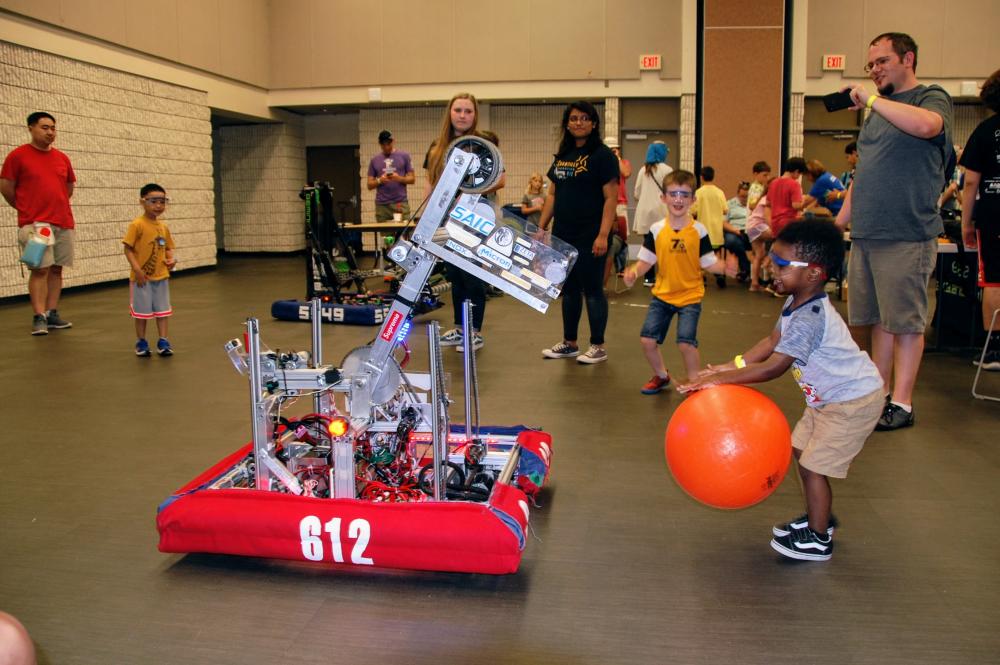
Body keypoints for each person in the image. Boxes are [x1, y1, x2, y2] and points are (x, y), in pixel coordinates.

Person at [679, 220, 884, 561]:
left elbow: (775, 366)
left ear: (814, 273)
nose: (773, 269)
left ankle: (819, 539)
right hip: (828, 400)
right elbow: (772, 342)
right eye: (773, 261)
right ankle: (821, 516)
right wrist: (731, 366)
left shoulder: (810, 317)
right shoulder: (794, 303)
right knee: (802, 452)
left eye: (782, 265)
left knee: (815, 466)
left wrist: (720, 381)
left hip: (852, 402)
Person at [835, 31, 953, 431]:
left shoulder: (930, 98)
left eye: (882, 61)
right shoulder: (875, 115)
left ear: (908, 58)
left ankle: (902, 403)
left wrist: (870, 98)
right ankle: (879, 394)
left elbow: (927, 127)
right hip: (867, 234)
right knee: (876, 320)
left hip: (907, 232)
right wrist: (837, 225)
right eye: (870, 65)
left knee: (904, 321)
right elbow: (861, 174)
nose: (875, 70)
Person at [622, 170, 725, 393]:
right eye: (673, 194)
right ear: (664, 198)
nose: (678, 199)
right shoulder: (657, 230)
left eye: (684, 195)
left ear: (692, 200)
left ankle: (695, 383)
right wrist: (633, 273)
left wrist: (726, 268)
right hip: (662, 296)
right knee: (647, 341)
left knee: (686, 343)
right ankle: (661, 376)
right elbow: (646, 262)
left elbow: (708, 263)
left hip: (690, 297)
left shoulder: (699, 231)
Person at [539, 100, 619, 364]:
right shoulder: (563, 155)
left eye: (585, 118)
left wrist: (603, 234)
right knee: (570, 290)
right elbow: (552, 194)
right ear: (567, 123)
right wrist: (541, 227)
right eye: (574, 118)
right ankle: (570, 343)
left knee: (593, 289)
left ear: (593, 123)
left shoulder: (603, 156)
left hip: (591, 233)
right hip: (564, 233)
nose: (578, 123)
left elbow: (610, 198)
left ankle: (598, 345)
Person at [424, 93, 504, 352]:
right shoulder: (438, 146)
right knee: (455, 274)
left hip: (474, 219)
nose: (462, 115)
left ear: (475, 115)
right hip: (446, 220)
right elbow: (431, 183)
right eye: (458, 110)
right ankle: (460, 329)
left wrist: (468, 194)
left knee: (472, 274)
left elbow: (500, 179)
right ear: (450, 112)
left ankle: (475, 332)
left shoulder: (484, 142)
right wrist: (428, 218)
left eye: (468, 111)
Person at [0, 111, 77, 336]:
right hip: (36, 224)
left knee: (56, 269)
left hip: (63, 221)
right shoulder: (18, 156)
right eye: (45, 127)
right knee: (40, 269)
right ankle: (39, 315)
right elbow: (6, 187)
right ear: (31, 128)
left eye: (53, 128)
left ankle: (52, 313)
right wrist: (26, 209)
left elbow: (69, 187)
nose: (50, 132)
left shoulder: (62, 158)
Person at [960, 68, 1000, 371]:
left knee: (994, 280)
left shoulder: (986, 131)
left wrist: (966, 223)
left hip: (994, 215)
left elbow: (970, 183)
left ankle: (994, 350)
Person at [123, 183, 177, 357]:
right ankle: (141, 341)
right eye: (154, 201)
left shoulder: (163, 227)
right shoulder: (137, 225)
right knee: (142, 313)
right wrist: (137, 270)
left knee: (162, 311)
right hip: (142, 279)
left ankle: (163, 340)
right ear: (142, 202)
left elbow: (168, 247)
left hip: (161, 277)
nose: (159, 206)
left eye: (162, 201)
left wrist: (171, 260)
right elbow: (128, 249)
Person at [632, 141, 672, 286]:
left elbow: (636, 193)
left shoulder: (643, 170)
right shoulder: (667, 170)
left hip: (645, 213)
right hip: (662, 212)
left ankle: (649, 278)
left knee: (648, 245)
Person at [367, 130, 415, 221]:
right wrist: (380, 180)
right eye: (383, 145)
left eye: (388, 144)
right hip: (382, 205)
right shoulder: (375, 160)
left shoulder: (404, 156)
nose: (386, 147)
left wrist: (398, 178)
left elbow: (412, 179)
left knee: (403, 234)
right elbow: (369, 185)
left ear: (393, 141)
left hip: (400, 203)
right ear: (380, 144)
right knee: (385, 235)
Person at [604, 136, 631, 287]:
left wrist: (617, 158)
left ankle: (621, 267)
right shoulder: (602, 162)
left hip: (620, 203)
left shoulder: (623, 162)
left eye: (615, 148)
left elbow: (626, 173)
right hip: (606, 202)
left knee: (622, 235)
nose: (613, 151)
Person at [768, 157, 806, 237]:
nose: (798, 176)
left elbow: (768, 203)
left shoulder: (773, 183)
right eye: (800, 174)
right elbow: (796, 205)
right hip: (788, 222)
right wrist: (807, 201)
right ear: (796, 171)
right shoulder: (794, 184)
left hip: (775, 223)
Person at [724, 181, 752, 281]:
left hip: (750, 231)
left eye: (746, 197)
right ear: (737, 194)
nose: (744, 199)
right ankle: (747, 268)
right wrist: (735, 230)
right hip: (734, 231)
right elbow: (723, 222)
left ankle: (752, 271)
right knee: (732, 241)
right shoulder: (729, 204)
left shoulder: (753, 204)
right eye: (742, 196)